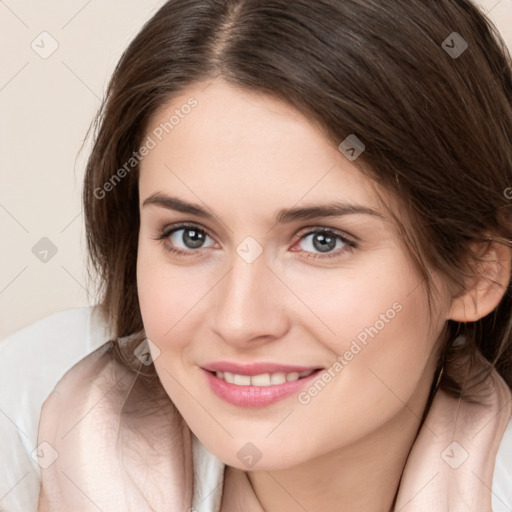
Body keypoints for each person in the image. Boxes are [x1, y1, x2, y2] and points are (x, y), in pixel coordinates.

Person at [1, 0, 512, 510]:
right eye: (190, 236)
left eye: (322, 241)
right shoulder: (25, 418)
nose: (240, 321)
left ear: (475, 271)